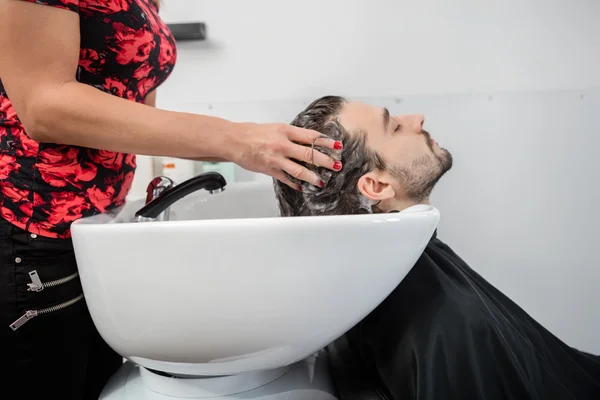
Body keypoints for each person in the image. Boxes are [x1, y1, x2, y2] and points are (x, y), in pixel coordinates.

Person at [0, 1, 343, 398]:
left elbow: (128, 111)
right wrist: (236, 140)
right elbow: (44, 106)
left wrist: (242, 146)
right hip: (27, 222)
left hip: (94, 226)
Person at [272, 95, 600, 399]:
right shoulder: (445, 323)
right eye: (395, 127)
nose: (417, 119)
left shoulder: (365, 292)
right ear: (377, 185)